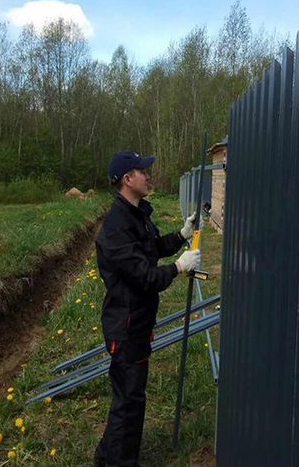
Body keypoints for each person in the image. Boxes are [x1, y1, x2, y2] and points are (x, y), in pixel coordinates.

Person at [93, 151, 201, 467]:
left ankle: (105, 457)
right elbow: (144, 276)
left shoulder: (136, 214)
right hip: (126, 327)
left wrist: (181, 235)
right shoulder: (116, 228)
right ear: (128, 179)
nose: (149, 175)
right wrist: (179, 268)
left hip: (137, 323)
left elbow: (152, 247)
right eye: (143, 171)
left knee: (129, 398)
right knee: (130, 400)